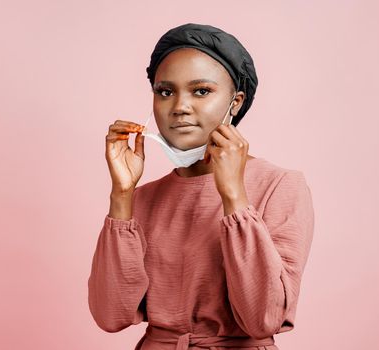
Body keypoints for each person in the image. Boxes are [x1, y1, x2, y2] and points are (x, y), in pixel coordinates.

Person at [88, 23, 315, 350]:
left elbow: (262, 318)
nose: (179, 107)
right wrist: (122, 195)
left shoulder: (279, 186)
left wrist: (234, 195)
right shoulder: (144, 198)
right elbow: (111, 316)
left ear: (235, 103)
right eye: (165, 91)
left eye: (201, 91)